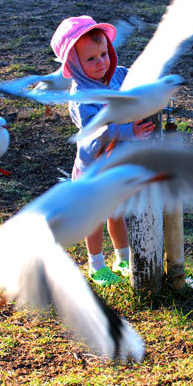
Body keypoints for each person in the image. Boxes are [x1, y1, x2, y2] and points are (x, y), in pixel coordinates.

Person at [50, 16, 156, 286]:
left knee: (116, 212)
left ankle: (122, 258)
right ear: (73, 65)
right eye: (91, 59)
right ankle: (96, 264)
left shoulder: (117, 75)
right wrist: (128, 132)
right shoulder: (82, 97)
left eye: (104, 54)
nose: (101, 63)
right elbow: (96, 130)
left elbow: (139, 80)